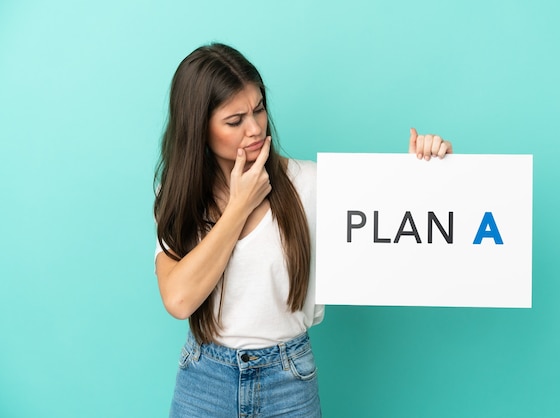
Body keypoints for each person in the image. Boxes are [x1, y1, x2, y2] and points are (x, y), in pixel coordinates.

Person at [154, 43, 452, 418]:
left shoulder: (309, 183)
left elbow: (405, 221)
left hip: (288, 380)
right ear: (199, 127)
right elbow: (179, 300)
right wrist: (241, 204)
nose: (255, 128)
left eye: (259, 109)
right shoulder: (178, 194)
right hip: (204, 380)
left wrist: (428, 169)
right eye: (235, 120)